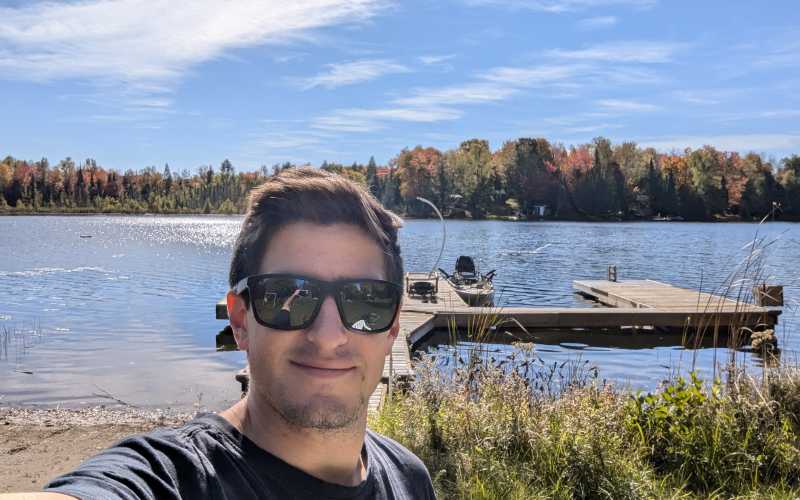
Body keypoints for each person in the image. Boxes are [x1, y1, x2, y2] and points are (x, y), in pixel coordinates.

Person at [3, 168, 436, 500]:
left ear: (393, 323)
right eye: (286, 295)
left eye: (365, 300)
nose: (327, 335)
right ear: (240, 320)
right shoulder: (177, 478)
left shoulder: (409, 477)